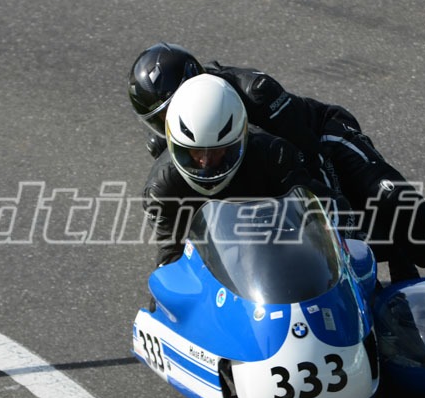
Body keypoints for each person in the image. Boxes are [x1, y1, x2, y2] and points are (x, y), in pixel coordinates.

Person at [128, 42, 425, 282]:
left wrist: (339, 231)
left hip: (318, 140)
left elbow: (312, 160)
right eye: (158, 121)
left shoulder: (257, 93)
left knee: (384, 192)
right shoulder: (180, 138)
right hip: (257, 158)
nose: (168, 125)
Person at [142, 73, 345, 270]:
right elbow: (171, 258)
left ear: (238, 139)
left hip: (283, 259)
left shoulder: (273, 154)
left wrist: (334, 237)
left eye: (216, 150)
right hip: (214, 273)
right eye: (195, 151)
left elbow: (323, 208)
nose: (205, 161)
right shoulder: (161, 188)